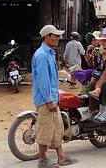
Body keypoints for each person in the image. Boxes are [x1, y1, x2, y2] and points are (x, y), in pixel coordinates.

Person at [32, 25, 77, 168]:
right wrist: (49, 100)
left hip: (52, 97)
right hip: (46, 99)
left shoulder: (49, 53)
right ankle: (42, 160)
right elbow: (42, 81)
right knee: (45, 129)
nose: (58, 38)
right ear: (47, 37)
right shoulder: (42, 55)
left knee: (57, 128)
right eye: (55, 36)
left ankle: (61, 157)